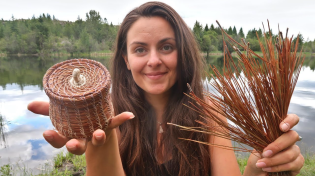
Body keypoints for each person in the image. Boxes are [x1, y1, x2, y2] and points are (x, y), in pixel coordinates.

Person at [28, 2, 304, 175]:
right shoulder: (105, 116)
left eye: (166, 47)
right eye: (140, 49)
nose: (154, 61)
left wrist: (259, 168)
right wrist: (101, 135)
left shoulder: (209, 111)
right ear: (125, 60)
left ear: (182, 53)